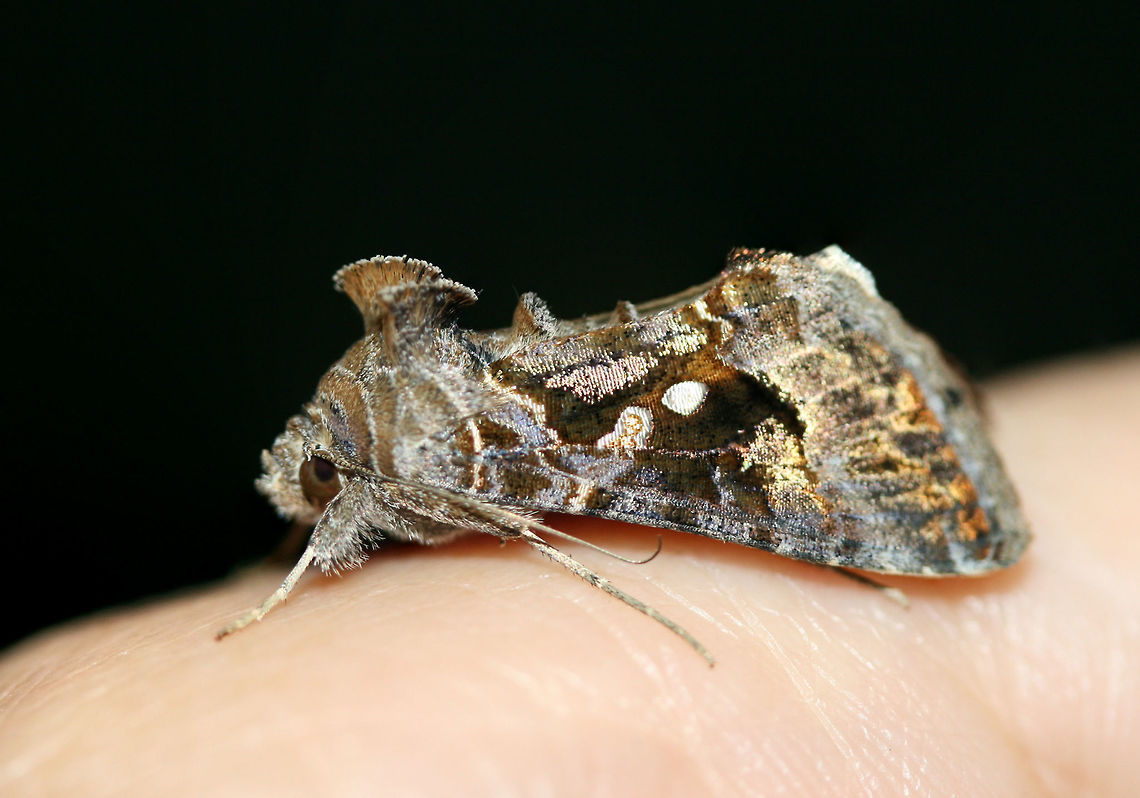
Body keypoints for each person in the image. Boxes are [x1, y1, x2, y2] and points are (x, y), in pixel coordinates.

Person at [3, 349, 1136, 796]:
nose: (319, 520)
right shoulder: (367, 477)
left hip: (703, 390)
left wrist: (601, 571)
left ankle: (835, 388)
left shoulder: (425, 458)